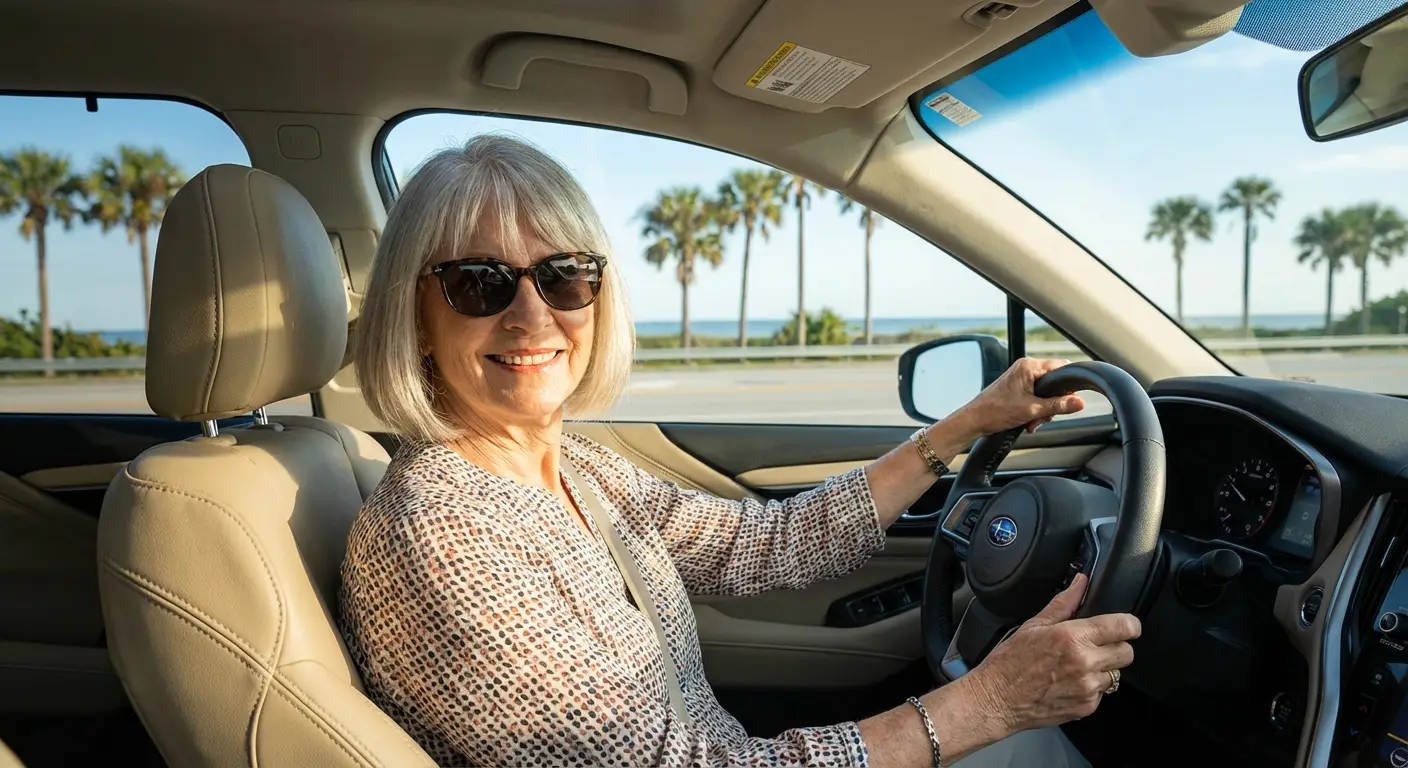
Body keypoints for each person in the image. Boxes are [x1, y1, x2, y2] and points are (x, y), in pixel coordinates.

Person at [338, 134, 1140, 767]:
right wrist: (985, 704)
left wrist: (962, 426)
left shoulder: (575, 468)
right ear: (416, 316)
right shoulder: (442, 531)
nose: (530, 315)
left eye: (563, 277)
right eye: (479, 283)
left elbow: (762, 545)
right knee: (1016, 741)